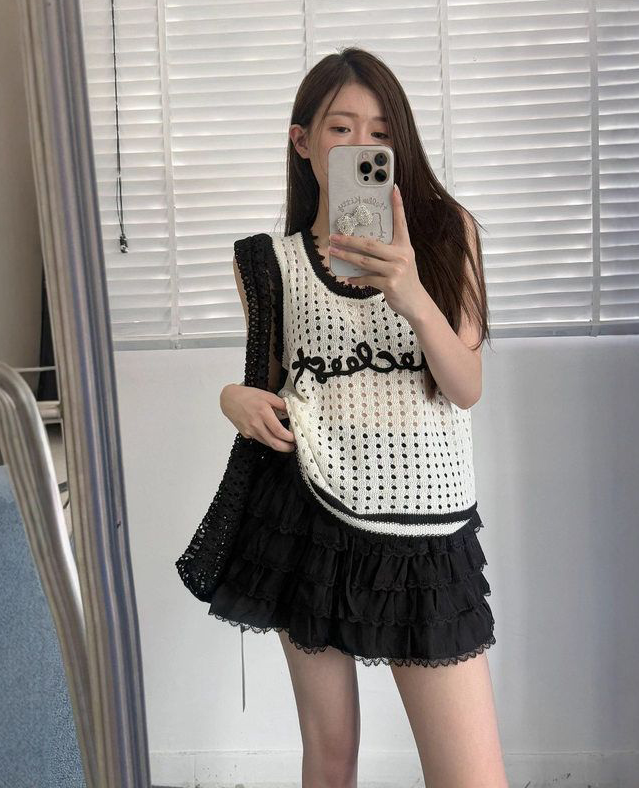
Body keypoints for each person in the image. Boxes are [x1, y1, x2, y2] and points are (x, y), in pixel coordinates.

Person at [205, 47, 508, 788]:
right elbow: (269, 389)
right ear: (303, 141)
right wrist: (232, 398)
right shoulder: (267, 263)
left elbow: (465, 386)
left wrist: (410, 292)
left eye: (380, 131)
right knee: (331, 757)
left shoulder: (448, 236)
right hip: (306, 518)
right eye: (340, 128)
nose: (360, 144)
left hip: (425, 531)